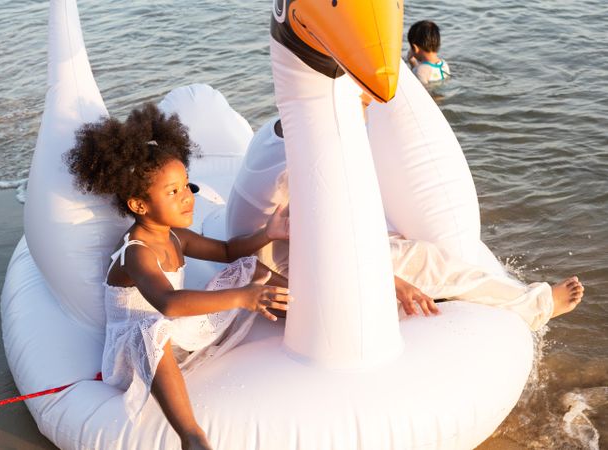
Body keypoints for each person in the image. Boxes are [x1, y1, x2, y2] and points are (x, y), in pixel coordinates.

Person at [66, 103, 291, 450]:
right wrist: (244, 297)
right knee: (149, 330)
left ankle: (307, 306)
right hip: (136, 351)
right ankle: (191, 435)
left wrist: (268, 233)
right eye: (173, 192)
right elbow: (168, 304)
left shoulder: (175, 235)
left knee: (246, 268)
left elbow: (230, 251)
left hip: (177, 331)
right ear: (139, 205)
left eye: (186, 185)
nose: (187, 198)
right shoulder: (136, 252)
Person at [227, 117, 584, 327]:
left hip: (264, 249)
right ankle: (539, 304)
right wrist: (394, 282)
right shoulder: (307, 162)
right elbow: (326, 250)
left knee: (392, 239)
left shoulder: (278, 130)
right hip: (279, 272)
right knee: (431, 260)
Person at [406, 20, 451, 85]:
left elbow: (420, 90)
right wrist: (412, 63)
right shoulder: (444, 64)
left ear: (415, 48)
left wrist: (414, 68)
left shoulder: (420, 70)